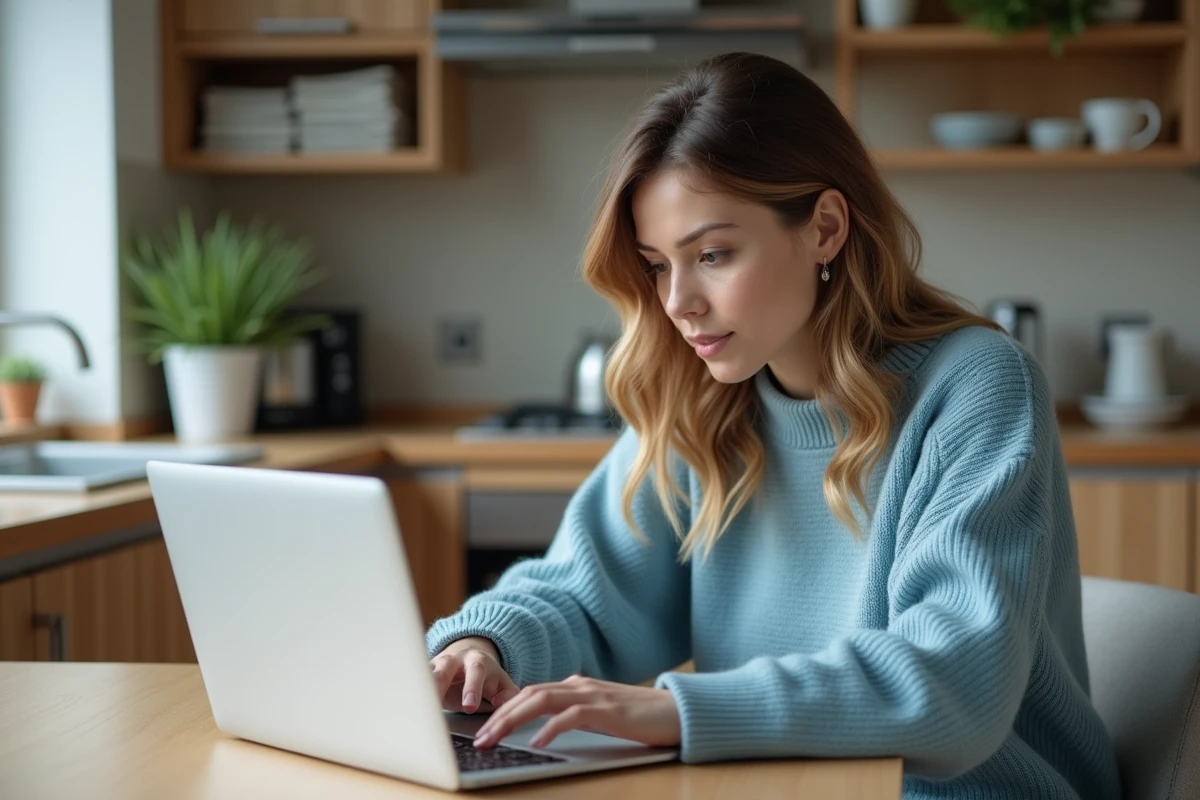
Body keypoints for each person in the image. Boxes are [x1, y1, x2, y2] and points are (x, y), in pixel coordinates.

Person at [426, 52, 1121, 799]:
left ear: (824, 227)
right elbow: (585, 596)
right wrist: (483, 643)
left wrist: (679, 711)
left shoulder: (976, 386)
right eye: (658, 265)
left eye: (713, 254)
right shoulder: (702, 400)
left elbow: (954, 684)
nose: (679, 301)